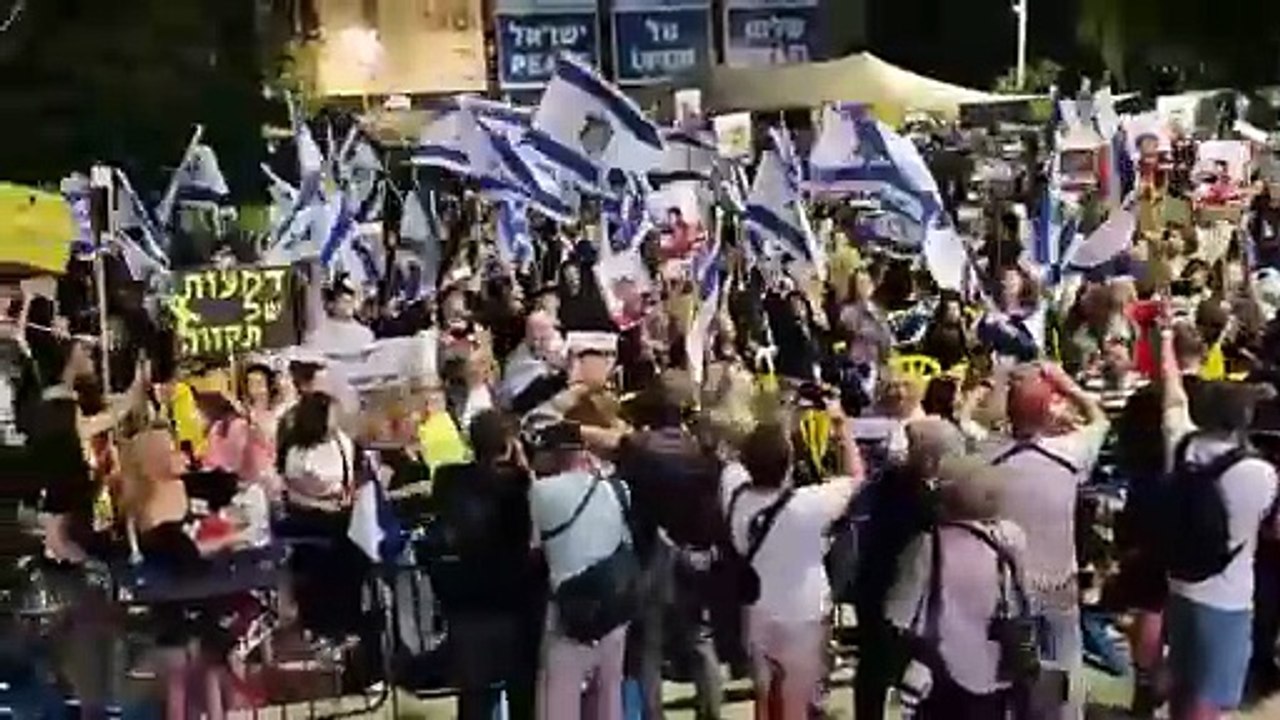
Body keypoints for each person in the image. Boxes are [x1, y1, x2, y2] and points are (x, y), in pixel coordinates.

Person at [1160, 328, 1279, 720]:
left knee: (1183, 681)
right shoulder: (1261, 474)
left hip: (1179, 583)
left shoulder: (1181, 445)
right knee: (1211, 695)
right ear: (1242, 421)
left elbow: (1173, 397)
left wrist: (1165, 339)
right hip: (1228, 597)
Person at [721, 406, 866, 720]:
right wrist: (842, 429)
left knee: (764, 694)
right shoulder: (809, 504)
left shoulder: (734, 494)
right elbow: (857, 477)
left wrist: (778, 421)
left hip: (757, 607)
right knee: (796, 699)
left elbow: (738, 458)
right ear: (789, 464)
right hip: (805, 612)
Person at [984, 362, 1109, 720]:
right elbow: (1099, 419)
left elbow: (976, 423)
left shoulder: (984, 456)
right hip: (1057, 582)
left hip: (1006, 587)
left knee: (1007, 675)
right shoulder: (1070, 454)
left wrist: (1001, 385)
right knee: (1065, 668)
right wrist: (1068, 386)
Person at [615, 372, 725, 720]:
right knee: (700, 641)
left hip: (651, 555)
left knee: (648, 646)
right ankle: (711, 713)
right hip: (695, 554)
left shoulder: (636, 451)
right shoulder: (703, 454)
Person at [885, 455, 1028, 719]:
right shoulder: (1010, 538)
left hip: (941, 669)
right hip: (997, 663)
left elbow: (900, 614)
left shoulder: (927, 546)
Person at [430, 410, 542, 720]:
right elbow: (536, 512)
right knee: (522, 691)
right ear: (509, 444)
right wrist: (524, 467)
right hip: (514, 597)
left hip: (466, 597)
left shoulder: (448, 478)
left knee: (475, 694)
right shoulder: (518, 485)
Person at [854, 418, 964, 719]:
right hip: (891, 597)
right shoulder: (909, 492)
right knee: (881, 673)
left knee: (881, 674)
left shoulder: (897, 482)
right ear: (933, 458)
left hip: (890, 593)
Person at [527, 420, 631, 720]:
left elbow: (535, 550)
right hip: (615, 606)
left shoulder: (541, 493)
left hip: (570, 610)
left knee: (559, 702)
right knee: (609, 700)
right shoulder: (617, 488)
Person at [279, 392, 365, 644]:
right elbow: (292, 494)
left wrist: (349, 497)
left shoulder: (342, 442)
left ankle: (350, 619)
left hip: (342, 508)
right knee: (322, 556)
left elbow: (351, 477)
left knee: (352, 551)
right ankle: (320, 624)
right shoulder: (297, 452)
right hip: (309, 513)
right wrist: (320, 504)